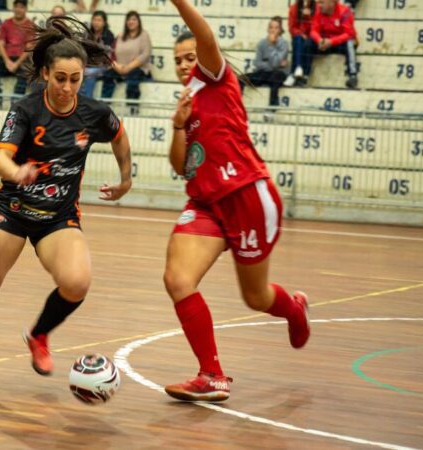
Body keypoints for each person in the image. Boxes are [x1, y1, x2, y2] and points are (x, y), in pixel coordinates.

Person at [0, 16, 133, 382]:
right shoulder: (26, 110)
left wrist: (126, 180)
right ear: (47, 73)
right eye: (60, 78)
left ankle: (39, 334)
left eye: (75, 79)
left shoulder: (95, 114)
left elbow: (119, 137)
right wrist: (15, 172)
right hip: (13, 213)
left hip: (57, 218)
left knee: (77, 283)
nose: (67, 87)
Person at [162, 0, 310, 402]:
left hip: (246, 195)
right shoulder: (187, 99)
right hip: (206, 203)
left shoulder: (214, 75)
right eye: (177, 59)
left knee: (255, 297)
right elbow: (181, 165)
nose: (183, 63)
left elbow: (206, 37)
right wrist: (178, 125)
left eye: (189, 56)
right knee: (177, 279)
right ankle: (211, 374)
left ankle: (294, 308)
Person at [101, 10, 152, 115]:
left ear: (138, 22)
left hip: (137, 68)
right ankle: (104, 109)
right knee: (108, 75)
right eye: (129, 19)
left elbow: (145, 55)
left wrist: (128, 67)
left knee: (133, 78)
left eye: (134, 19)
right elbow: (111, 54)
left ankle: (132, 110)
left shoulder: (144, 35)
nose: (131, 22)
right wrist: (117, 66)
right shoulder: (120, 36)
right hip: (120, 68)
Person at [0, 0, 34, 109]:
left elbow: (29, 48)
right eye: (16, 7)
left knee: (27, 69)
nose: (18, 9)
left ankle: (17, 102)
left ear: (26, 9)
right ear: (13, 8)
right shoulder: (6, 23)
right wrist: (7, 60)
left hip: (22, 59)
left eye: (21, 7)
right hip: (7, 58)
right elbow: (0, 43)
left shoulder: (30, 25)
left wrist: (16, 64)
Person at [309, 0, 359, 89]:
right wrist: (319, 40)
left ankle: (352, 76)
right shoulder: (318, 10)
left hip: (339, 43)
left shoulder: (345, 11)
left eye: (322, 2)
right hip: (324, 43)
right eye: (318, 2)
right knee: (307, 43)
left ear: (331, 2)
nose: (319, 5)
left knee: (349, 42)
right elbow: (313, 30)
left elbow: (348, 34)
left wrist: (331, 41)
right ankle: (303, 75)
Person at [241, 16, 289, 107]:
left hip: (278, 73)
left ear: (280, 30)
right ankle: (236, 107)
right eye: (271, 27)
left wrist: (271, 45)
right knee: (240, 78)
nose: (273, 30)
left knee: (276, 78)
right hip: (264, 73)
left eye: (276, 28)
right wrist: (273, 64)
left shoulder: (284, 44)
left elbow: (275, 64)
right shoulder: (261, 43)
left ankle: (271, 108)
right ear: (267, 29)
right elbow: (257, 63)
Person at [79, 10, 115, 98]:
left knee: (90, 74)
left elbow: (107, 55)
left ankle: (87, 101)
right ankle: (79, 100)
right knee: (79, 73)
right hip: (87, 65)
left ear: (104, 22)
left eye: (99, 20)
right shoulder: (87, 34)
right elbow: (81, 50)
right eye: (94, 20)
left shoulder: (109, 35)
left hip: (102, 66)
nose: (96, 23)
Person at [285, 0, 316, 87]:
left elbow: (316, 28)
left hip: (312, 38)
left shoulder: (316, 8)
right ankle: (299, 68)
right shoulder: (294, 8)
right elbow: (292, 28)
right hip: (299, 36)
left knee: (308, 43)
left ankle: (294, 72)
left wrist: (308, 17)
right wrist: (301, 33)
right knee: (298, 40)